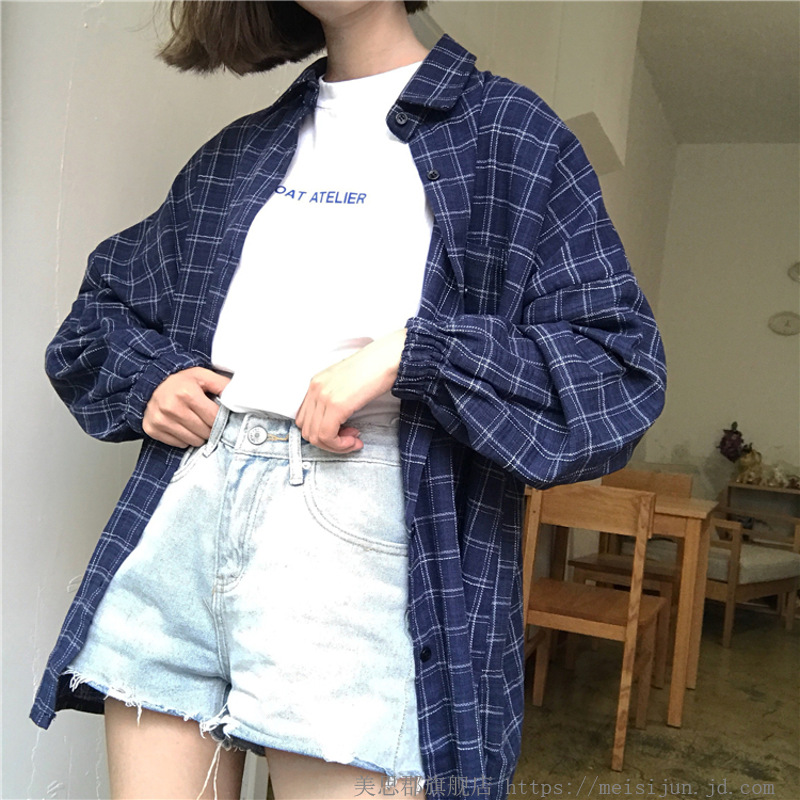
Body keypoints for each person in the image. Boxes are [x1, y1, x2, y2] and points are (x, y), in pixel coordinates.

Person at [30, 2, 667, 799]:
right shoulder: (239, 153)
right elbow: (98, 318)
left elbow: (617, 373)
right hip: (188, 519)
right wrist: (150, 378)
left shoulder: (511, 138)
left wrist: (417, 353)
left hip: (361, 542)